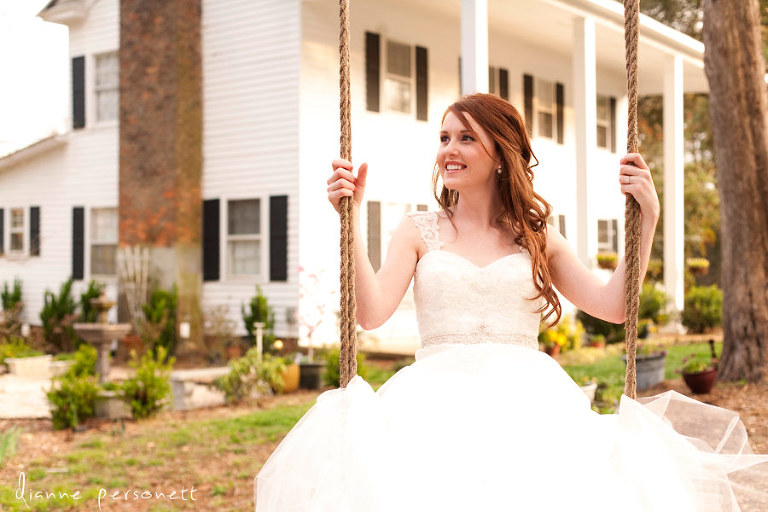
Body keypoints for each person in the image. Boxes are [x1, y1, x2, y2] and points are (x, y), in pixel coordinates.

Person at [255, 93, 768, 511]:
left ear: (500, 153)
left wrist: (647, 219)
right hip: (431, 409)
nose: (447, 150)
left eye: (465, 139)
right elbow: (372, 313)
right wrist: (350, 220)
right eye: (443, 138)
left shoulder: (537, 238)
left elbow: (614, 307)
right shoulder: (419, 230)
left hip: (532, 409)